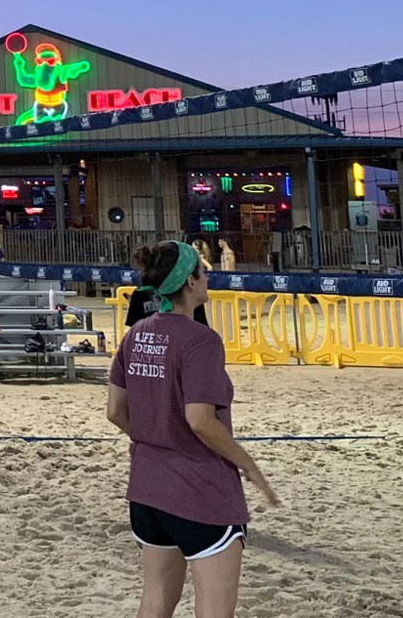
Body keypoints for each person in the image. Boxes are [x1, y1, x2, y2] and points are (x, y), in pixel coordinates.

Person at [108, 240, 279, 618]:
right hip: (200, 491)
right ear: (188, 282)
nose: (209, 275)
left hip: (147, 488)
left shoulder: (135, 334)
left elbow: (115, 412)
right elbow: (200, 421)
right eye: (203, 269)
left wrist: (155, 435)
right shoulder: (201, 340)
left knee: (154, 604)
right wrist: (249, 465)